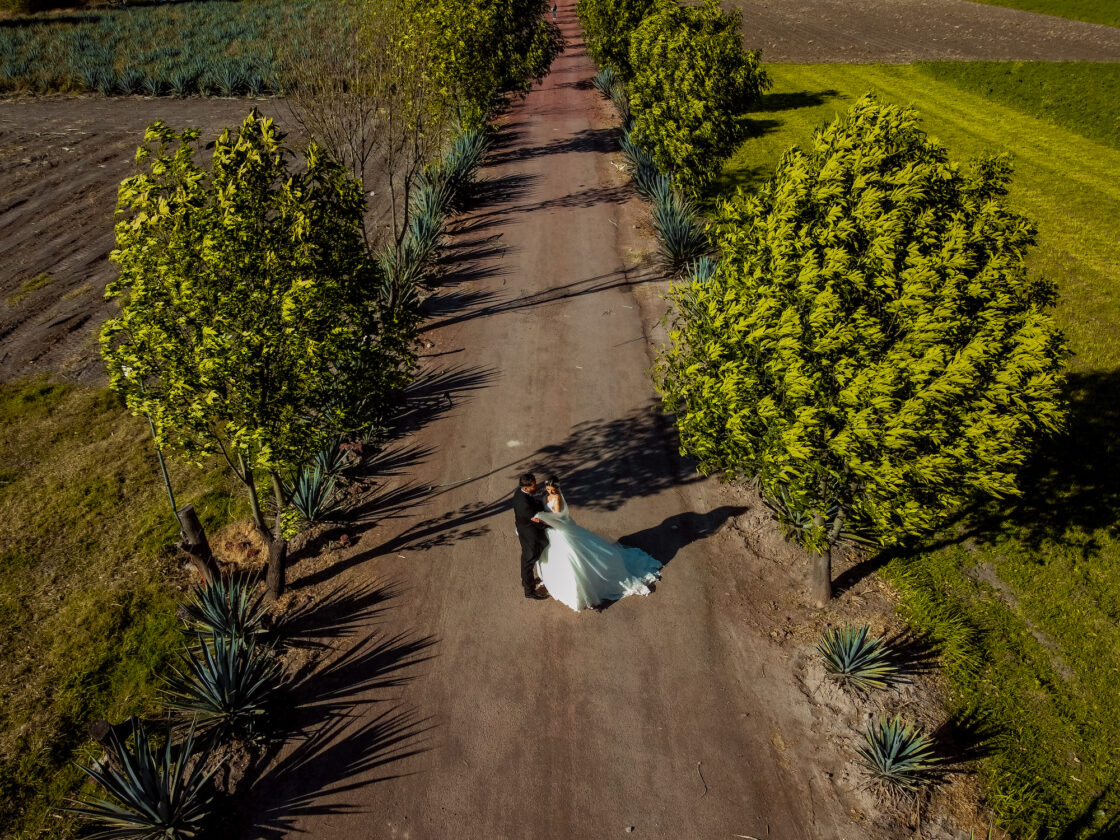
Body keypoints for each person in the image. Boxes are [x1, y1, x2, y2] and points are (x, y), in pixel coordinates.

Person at [534, 475, 662, 612]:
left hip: (561, 531)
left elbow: (558, 520)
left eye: (553, 490)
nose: (550, 492)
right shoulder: (547, 495)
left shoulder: (558, 499)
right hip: (552, 532)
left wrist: (541, 520)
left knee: (573, 558)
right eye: (548, 489)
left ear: (557, 488)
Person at [513, 472, 549, 599]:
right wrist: (550, 525)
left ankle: (526, 582)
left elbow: (532, 503)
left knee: (526, 560)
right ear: (526, 487)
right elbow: (536, 521)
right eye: (534, 485)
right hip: (528, 533)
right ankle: (529, 591)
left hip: (523, 527)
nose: (536, 486)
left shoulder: (519, 492)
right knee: (529, 559)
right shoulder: (524, 505)